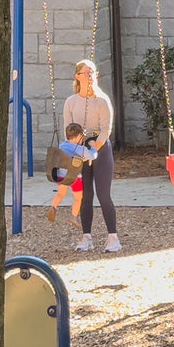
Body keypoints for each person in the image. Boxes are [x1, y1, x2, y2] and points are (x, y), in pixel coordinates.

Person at [60, 58, 119, 252]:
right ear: (78, 76)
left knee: (104, 194)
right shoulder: (71, 102)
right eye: (85, 73)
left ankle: (113, 237)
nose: (89, 76)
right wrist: (78, 152)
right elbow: (69, 131)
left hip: (99, 148)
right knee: (85, 195)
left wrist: (94, 150)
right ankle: (86, 237)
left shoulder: (102, 100)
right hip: (80, 149)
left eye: (92, 72)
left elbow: (105, 130)